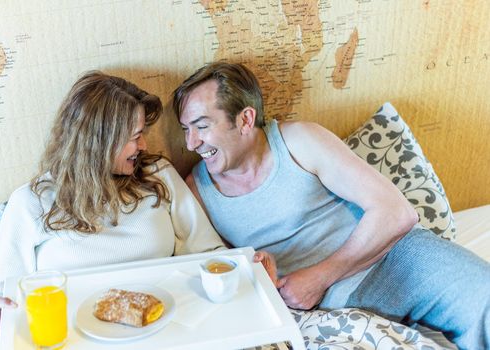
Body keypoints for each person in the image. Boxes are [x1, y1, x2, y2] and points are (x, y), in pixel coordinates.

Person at [172, 61, 490, 350]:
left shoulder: (299, 140)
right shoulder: (197, 190)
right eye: (186, 129)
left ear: (245, 119)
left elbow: (397, 212)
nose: (191, 143)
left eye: (201, 126)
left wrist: (320, 276)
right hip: (329, 310)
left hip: (396, 258)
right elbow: (227, 269)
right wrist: (259, 268)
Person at [0, 71, 225, 349]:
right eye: (135, 136)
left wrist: (250, 268)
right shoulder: (32, 201)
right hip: (73, 341)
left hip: (165, 333)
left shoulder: (158, 175)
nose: (144, 146)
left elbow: (210, 254)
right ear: (98, 142)